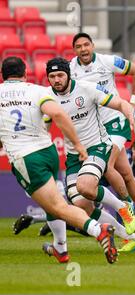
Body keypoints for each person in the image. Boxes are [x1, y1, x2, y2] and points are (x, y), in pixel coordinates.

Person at [0, 56, 117, 264]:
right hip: (48, 152)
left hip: (26, 158)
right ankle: (60, 249)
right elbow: (58, 114)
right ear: (25, 73)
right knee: (52, 204)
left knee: (58, 206)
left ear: (2, 76)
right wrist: (77, 144)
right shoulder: (37, 90)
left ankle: (100, 230)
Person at [46, 57, 135, 253]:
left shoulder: (86, 88)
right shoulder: (46, 97)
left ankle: (123, 207)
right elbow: (44, 126)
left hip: (97, 146)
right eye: (52, 76)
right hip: (74, 155)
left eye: (60, 75)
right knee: (82, 204)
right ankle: (131, 237)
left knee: (86, 187)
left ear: (68, 75)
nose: (56, 80)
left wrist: (131, 115)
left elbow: (120, 103)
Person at [70, 33, 135, 232]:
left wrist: (134, 102)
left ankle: (127, 208)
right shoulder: (69, 69)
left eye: (86, 45)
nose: (83, 49)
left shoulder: (107, 61)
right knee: (126, 174)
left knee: (107, 165)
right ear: (74, 50)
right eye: (78, 46)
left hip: (115, 121)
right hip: (94, 128)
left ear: (92, 45)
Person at [13, 137, 135, 240]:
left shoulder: (130, 162)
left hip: (90, 188)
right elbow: (122, 189)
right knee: (88, 221)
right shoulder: (124, 159)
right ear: (133, 148)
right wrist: (132, 211)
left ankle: (35, 220)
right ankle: (51, 224)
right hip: (84, 185)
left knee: (84, 218)